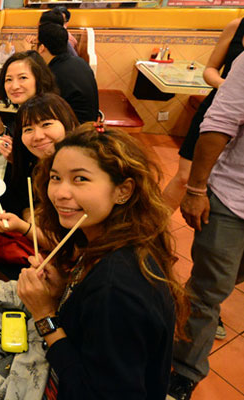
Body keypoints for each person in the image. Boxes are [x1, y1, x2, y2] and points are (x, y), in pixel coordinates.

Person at [19, 123, 188, 399]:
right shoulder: (109, 241)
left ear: (123, 191)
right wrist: (64, 291)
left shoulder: (116, 287)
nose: (60, 193)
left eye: (80, 179)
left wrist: (45, 316)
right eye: (55, 177)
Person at [167, 52, 244, 400]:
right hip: (232, 198)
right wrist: (197, 189)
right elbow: (219, 122)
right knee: (207, 292)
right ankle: (184, 370)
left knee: (222, 281)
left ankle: (179, 309)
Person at [162, 17, 244, 212]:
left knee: (220, 181)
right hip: (217, 109)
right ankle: (151, 227)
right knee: (184, 176)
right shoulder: (237, 26)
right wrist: (228, 86)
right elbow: (210, 69)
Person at [0, 93, 79, 248]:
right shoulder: (38, 162)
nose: (38, 136)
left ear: (68, 123)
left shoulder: (76, 173)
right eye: (28, 129)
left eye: (46, 124)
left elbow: (70, 247)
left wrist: (24, 226)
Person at [36, 22, 99, 124]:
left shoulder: (52, 74)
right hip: (90, 123)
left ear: (41, 47)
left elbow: (42, 107)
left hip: (75, 129)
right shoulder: (79, 61)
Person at [0, 50, 57, 143]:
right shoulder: (25, 112)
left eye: (23, 78)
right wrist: (0, 129)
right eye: (9, 79)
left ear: (39, 79)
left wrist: (14, 152)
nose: (14, 86)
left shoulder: (48, 114)